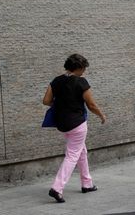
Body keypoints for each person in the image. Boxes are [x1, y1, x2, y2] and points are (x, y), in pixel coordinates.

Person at [43, 53, 106, 204]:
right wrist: (102, 115)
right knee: (72, 155)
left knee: (80, 150)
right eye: (83, 68)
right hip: (77, 124)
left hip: (62, 124)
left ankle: (87, 183)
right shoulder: (80, 82)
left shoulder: (56, 81)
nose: (84, 71)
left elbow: (46, 101)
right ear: (78, 68)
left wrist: (62, 105)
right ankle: (57, 188)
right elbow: (91, 105)